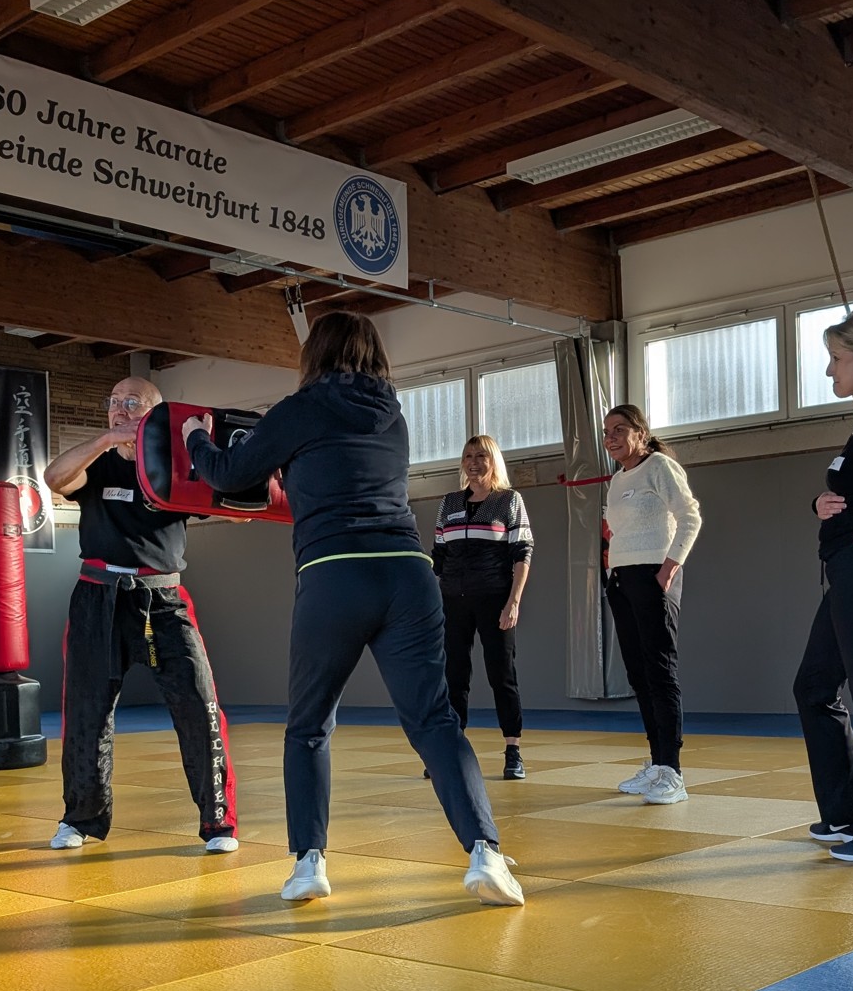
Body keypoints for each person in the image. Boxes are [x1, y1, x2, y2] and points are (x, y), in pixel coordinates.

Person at [182, 311, 523, 907]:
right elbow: (341, 474)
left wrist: (193, 437)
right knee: (435, 721)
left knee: (309, 726)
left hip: (335, 574)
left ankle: (309, 864)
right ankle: (486, 852)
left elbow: (230, 473)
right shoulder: (394, 414)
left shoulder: (299, 409)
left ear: (315, 353)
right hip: (408, 572)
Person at [43, 375, 237, 853]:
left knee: (199, 705)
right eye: (113, 402)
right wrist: (106, 440)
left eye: (132, 402)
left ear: (154, 412)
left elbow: (235, 508)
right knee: (86, 713)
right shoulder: (96, 463)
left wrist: (222, 460)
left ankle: (218, 823)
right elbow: (54, 478)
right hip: (97, 598)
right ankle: (81, 818)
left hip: (163, 599)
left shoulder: (177, 464)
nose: (120, 409)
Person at [793, 308, 853, 864]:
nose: (829, 370)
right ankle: (844, 814)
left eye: (837, 358)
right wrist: (818, 502)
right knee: (814, 687)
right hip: (842, 570)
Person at [602, 403, 701, 804]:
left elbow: (690, 516)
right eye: (606, 431)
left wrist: (669, 567)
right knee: (639, 673)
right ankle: (657, 763)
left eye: (619, 429)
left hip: (653, 576)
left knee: (660, 671)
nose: (611, 437)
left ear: (640, 433)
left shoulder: (660, 466)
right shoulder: (617, 479)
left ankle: (673, 772)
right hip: (622, 580)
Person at [432, 435, 533, 779]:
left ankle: (513, 751)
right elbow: (438, 557)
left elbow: (522, 553)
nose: (473, 462)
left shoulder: (508, 500)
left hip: (494, 600)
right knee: (454, 676)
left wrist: (513, 602)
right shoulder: (449, 503)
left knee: (501, 675)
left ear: (494, 461)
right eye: (468, 456)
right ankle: (451, 751)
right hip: (452, 602)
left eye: (481, 456)